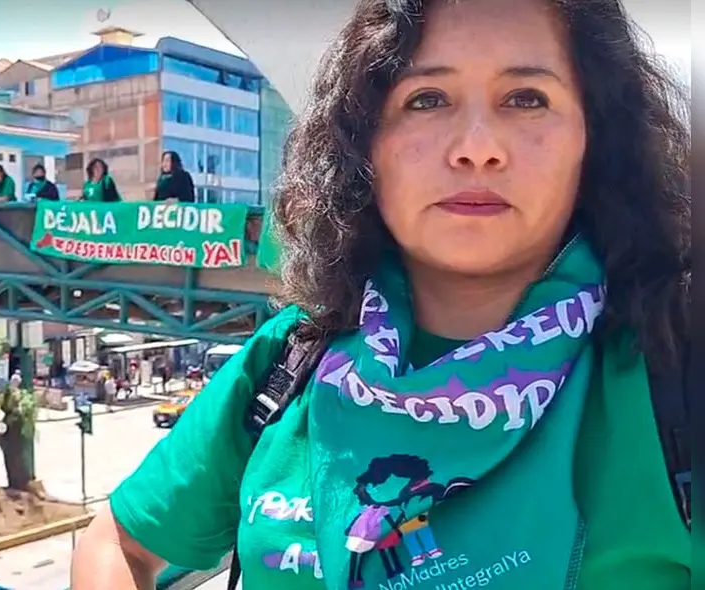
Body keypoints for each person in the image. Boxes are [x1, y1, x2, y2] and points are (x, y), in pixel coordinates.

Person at [71, 1, 690, 590]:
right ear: (363, 144)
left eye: (526, 98)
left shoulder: (672, 373)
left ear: (596, 137)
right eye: (427, 99)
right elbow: (116, 542)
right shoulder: (291, 359)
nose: (477, 146)